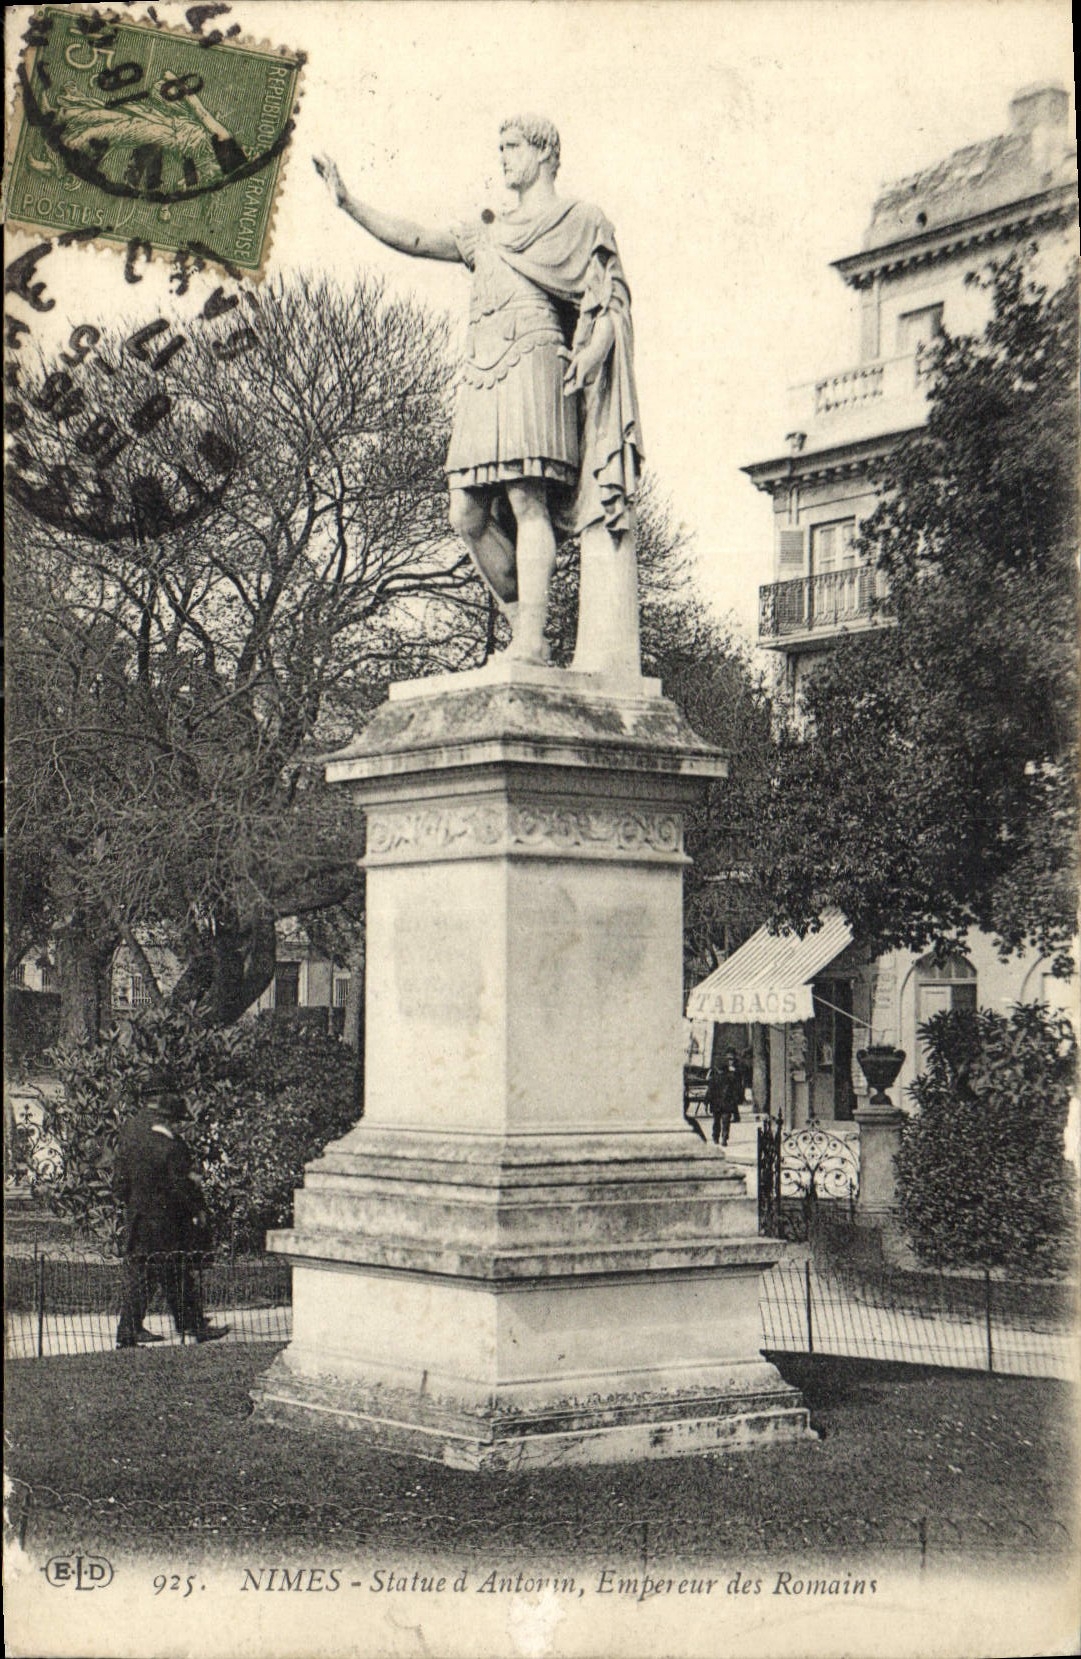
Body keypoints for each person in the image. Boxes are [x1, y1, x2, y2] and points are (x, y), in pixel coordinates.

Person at [314, 114, 643, 667]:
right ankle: (524, 624)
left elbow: (609, 300)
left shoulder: (582, 219)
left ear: (543, 152)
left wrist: (591, 353)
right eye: (501, 148)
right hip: (482, 369)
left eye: (511, 147)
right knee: (464, 513)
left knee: (525, 497)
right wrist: (349, 202)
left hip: (537, 360)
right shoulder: (487, 231)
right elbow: (418, 239)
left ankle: (532, 638)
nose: (504, 158)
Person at [114, 1077, 227, 1349]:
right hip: (165, 1220)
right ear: (163, 1098)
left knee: (149, 1274)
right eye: (174, 1094)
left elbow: (120, 1180)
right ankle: (192, 1327)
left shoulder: (130, 1128)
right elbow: (180, 1181)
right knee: (173, 1272)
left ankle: (132, 1330)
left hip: (140, 1218)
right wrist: (197, 1208)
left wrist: (132, 1204)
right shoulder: (164, 1135)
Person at [708, 1048, 744, 1147]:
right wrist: (737, 1098)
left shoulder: (713, 1079)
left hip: (716, 1104)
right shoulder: (730, 1078)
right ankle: (724, 1137)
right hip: (727, 1103)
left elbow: (710, 1091)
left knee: (716, 1121)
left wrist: (706, 1101)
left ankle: (715, 1137)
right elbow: (736, 1089)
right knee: (726, 1121)